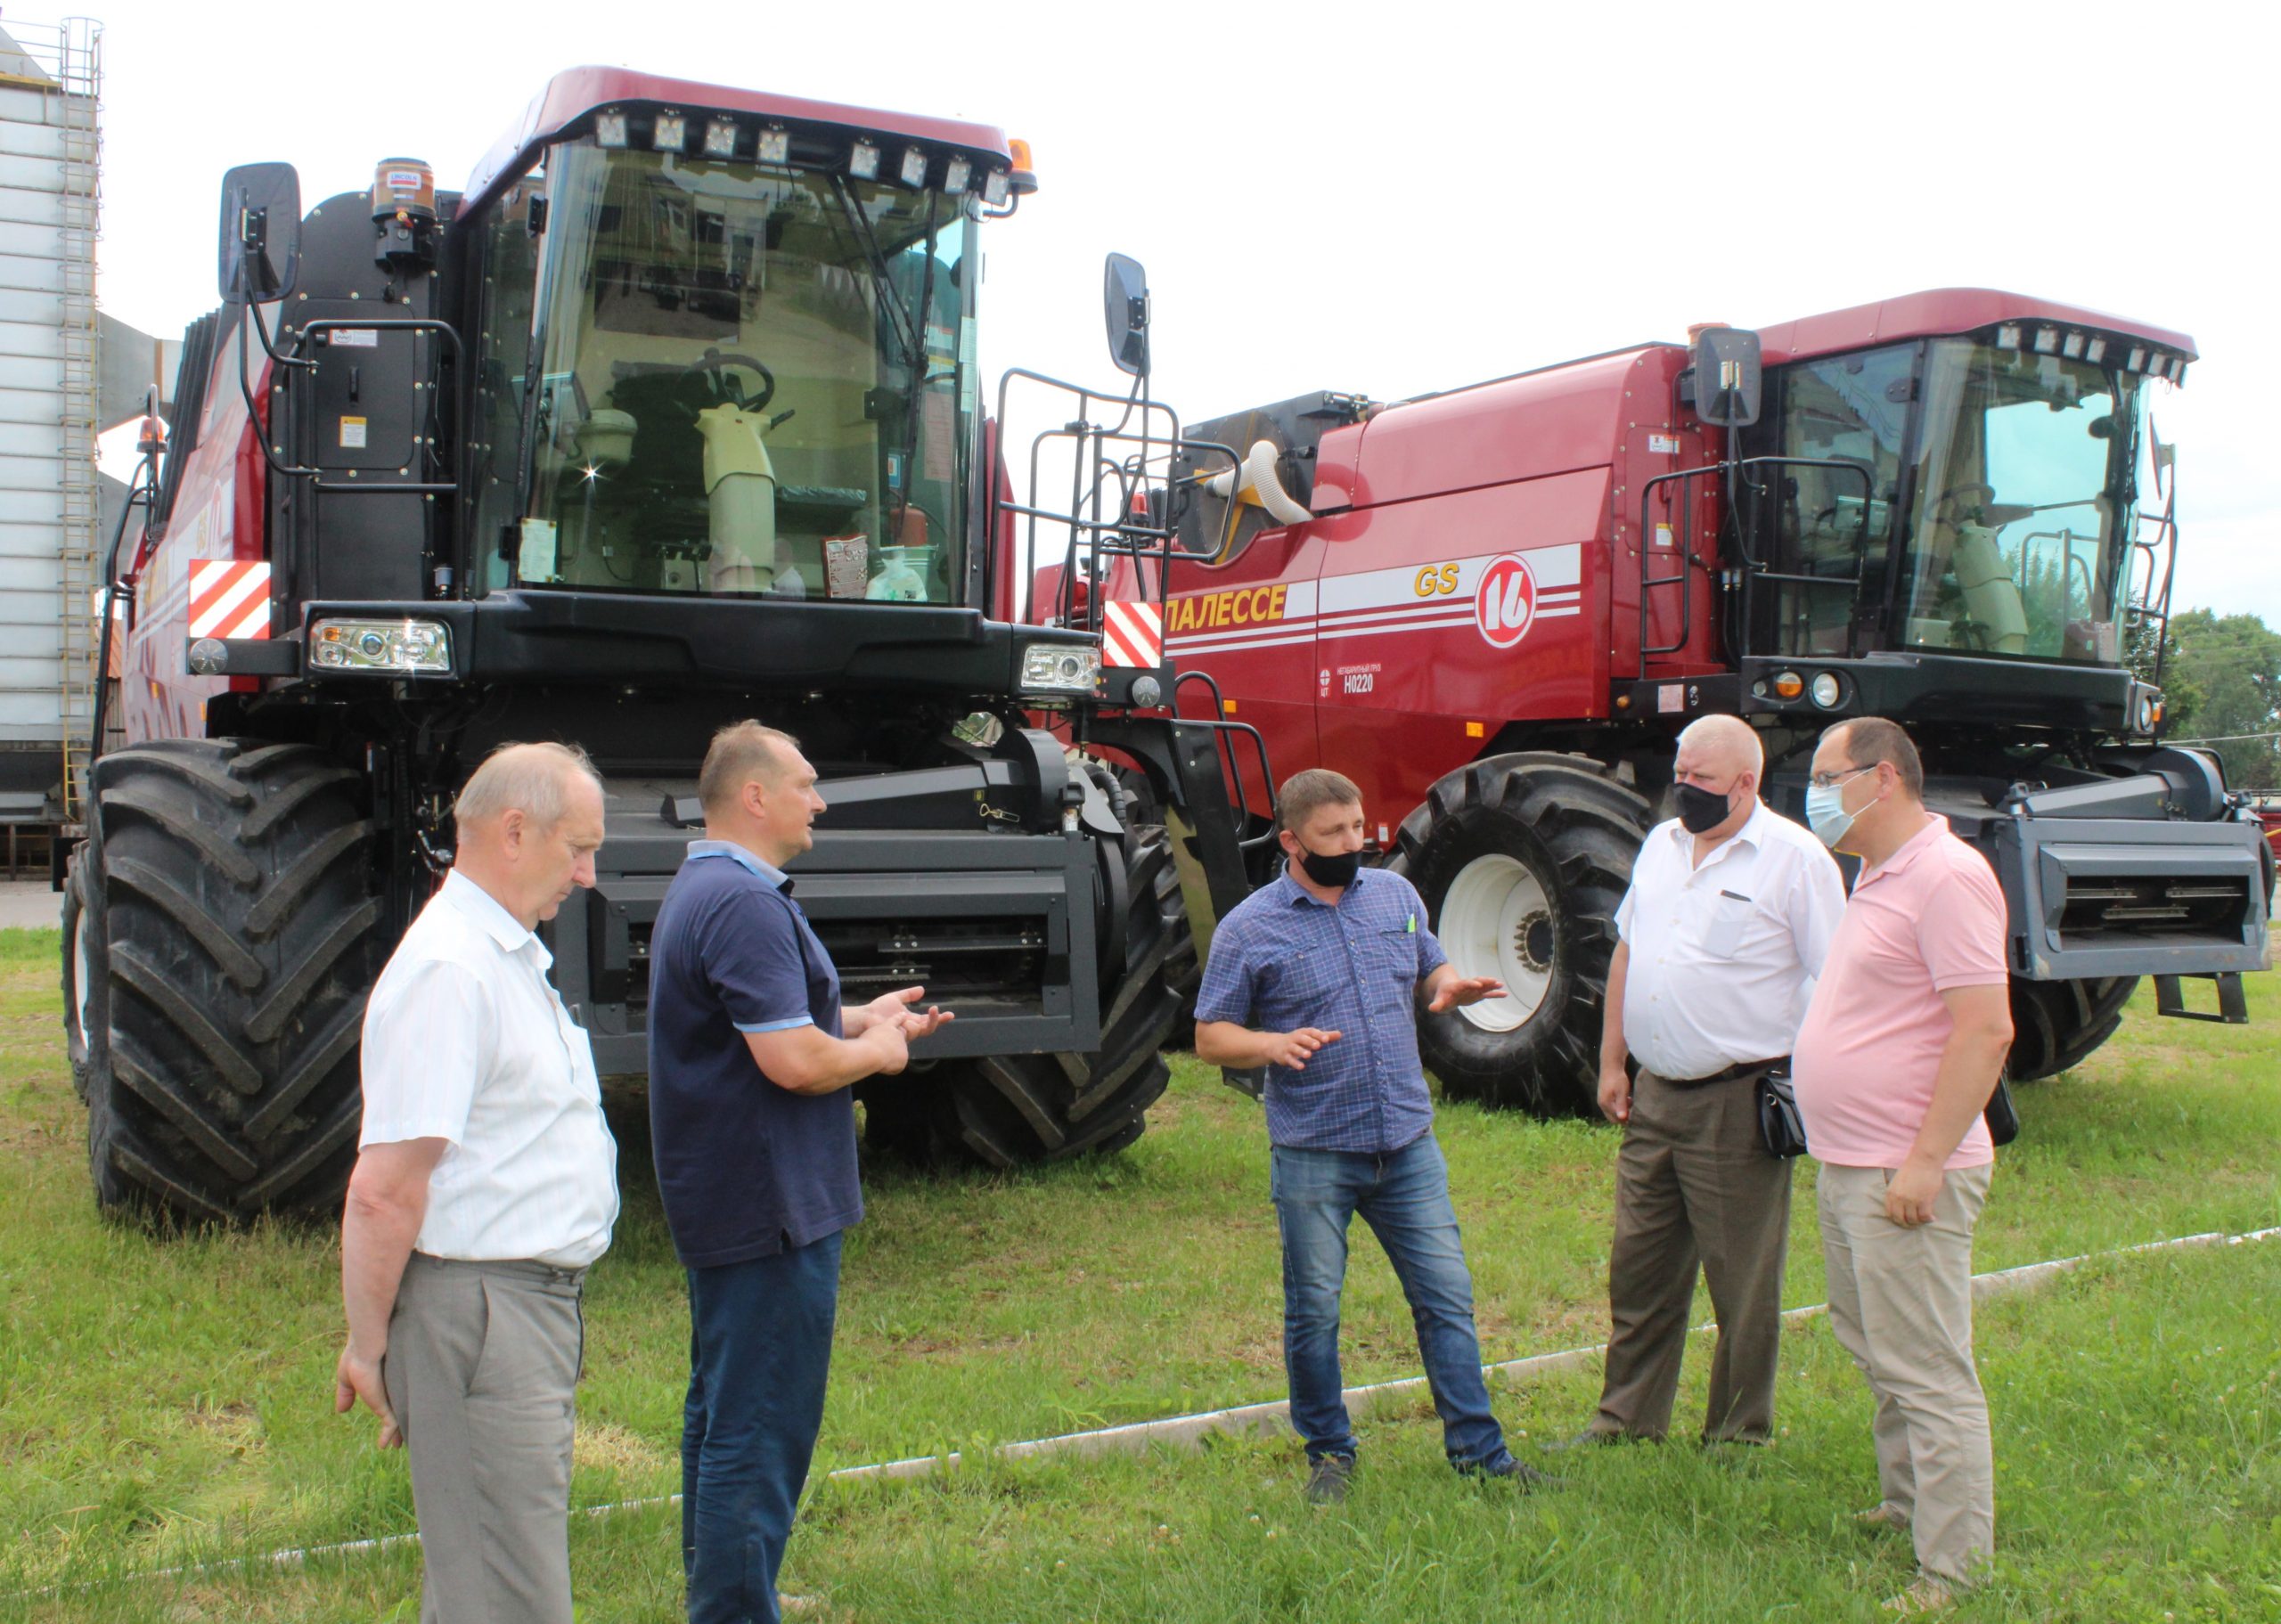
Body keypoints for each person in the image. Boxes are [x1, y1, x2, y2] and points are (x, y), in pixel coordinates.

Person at [648, 721, 951, 1624]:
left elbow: (770, 1020)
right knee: (760, 1422)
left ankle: (730, 1588)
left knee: (724, 1407)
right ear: (754, 796)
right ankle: (735, 1607)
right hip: (767, 1202)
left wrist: (857, 1015)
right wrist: (883, 1053)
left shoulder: (712, 885)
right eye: (807, 784)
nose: (819, 801)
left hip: (740, 1196)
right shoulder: (742, 902)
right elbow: (792, 1062)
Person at [1192, 767, 1552, 1505]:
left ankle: (1481, 1456)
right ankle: (1330, 1452)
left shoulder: (1395, 895)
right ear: (1292, 840)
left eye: (1358, 827)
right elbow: (1209, 1036)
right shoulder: (1249, 927)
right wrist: (1270, 1046)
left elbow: (1428, 966)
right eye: (1333, 833)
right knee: (1315, 1309)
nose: (1353, 842)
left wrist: (1446, 983)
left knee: (1447, 1296)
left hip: (1407, 1143)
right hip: (1315, 1148)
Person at [335, 740, 620, 1624]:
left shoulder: (497, 953)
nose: (587, 872)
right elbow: (385, 1187)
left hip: (513, 1308)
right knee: (507, 1594)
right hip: (484, 1313)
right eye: (577, 846)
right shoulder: (452, 969)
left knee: (488, 1583)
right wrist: (366, 1342)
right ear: (511, 830)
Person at [1567, 714, 1845, 1449]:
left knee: (1741, 1281)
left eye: (1701, 779)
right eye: (1680, 773)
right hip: (1655, 1092)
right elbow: (1630, 951)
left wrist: (1813, 1082)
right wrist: (1612, 1060)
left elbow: (1836, 980)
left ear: (1746, 784)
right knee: (1640, 1268)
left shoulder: (1795, 859)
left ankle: (1736, 1433)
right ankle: (1626, 1420)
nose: (1682, 788)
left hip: (1739, 1097)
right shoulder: (1662, 844)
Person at [1793, 717, 2014, 1613]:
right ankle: (1904, 1501)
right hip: (1848, 1159)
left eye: (1822, 772)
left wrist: (1923, 1162)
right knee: (1878, 1347)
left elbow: (1985, 1026)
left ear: (1880, 778)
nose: (1809, 789)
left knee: (1925, 1364)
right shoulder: (1874, 872)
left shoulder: (1948, 876)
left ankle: (1953, 1569)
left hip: (1904, 1168)